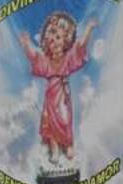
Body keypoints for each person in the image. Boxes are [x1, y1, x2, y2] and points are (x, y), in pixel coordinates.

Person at [18, 11, 97, 170]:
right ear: (47, 42)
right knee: (50, 125)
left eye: (59, 38)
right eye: (51, 39)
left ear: (66, 42)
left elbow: (81, 47)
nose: (54, 42)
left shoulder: (68, 58)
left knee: (65, 120)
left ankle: (68, 144)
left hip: (63, 96)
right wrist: (26, 44)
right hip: (50, 98)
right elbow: (33, 56)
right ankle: (54, 149)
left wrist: (88, 29)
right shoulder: (45, 60)